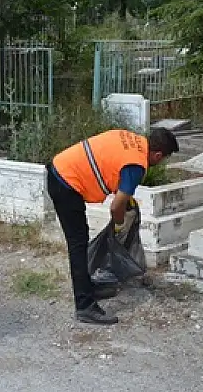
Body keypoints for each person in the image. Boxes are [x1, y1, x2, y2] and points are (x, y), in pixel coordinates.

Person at [47, 127, 179, 325]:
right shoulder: (136, 165)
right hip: (66, 184)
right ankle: (84, 306)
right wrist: (119, 225)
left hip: (60, 170)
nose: (160, 163)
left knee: (80, 240)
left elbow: (113, 170)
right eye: (162, 159)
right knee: (78, 244)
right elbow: (116, 206)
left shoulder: (130, 139)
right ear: (158, 154)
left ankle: (87, 287)